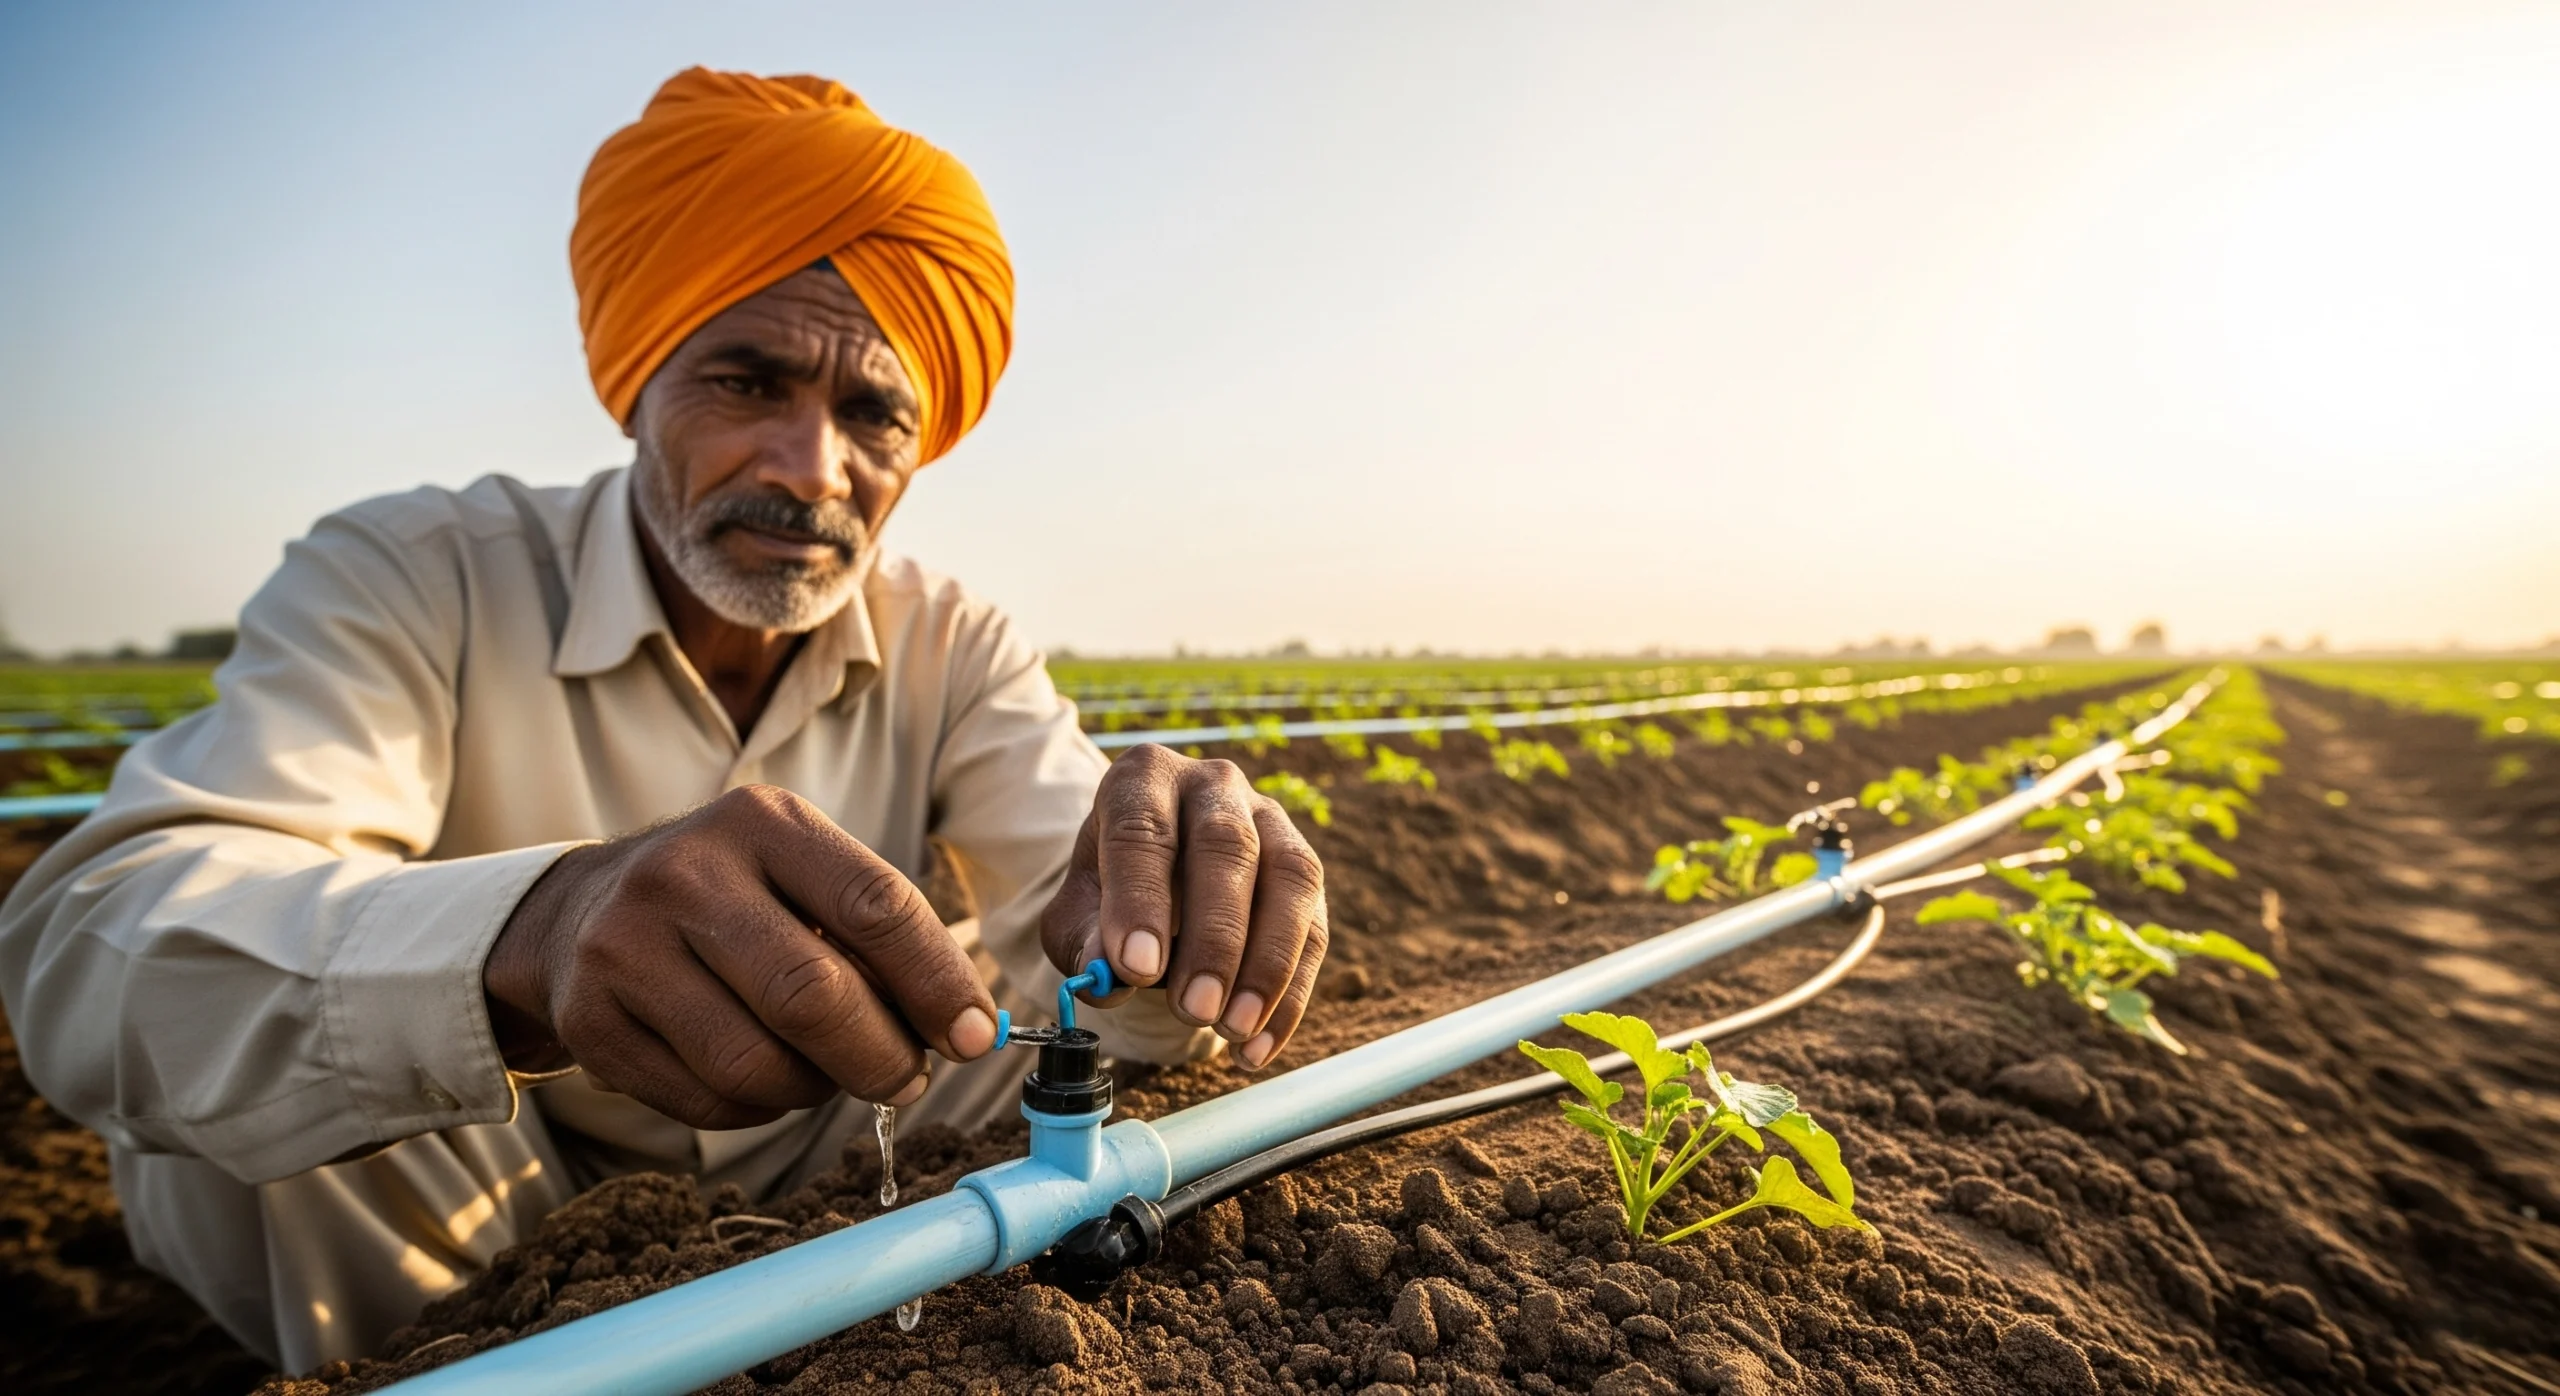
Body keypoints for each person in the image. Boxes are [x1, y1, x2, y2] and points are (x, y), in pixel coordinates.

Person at [0, 67, 1328, 1372]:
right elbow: (96, 947)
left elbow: (1080, 910)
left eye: (873, 414)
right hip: (478, 1187)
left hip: (836, 1142)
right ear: (638, 381)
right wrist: (534, 936)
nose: (811, 469)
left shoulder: (951, 637)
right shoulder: (418, 574)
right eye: (747, 384)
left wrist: (1164, 919)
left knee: (1032, 1038)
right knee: (250, 1068)